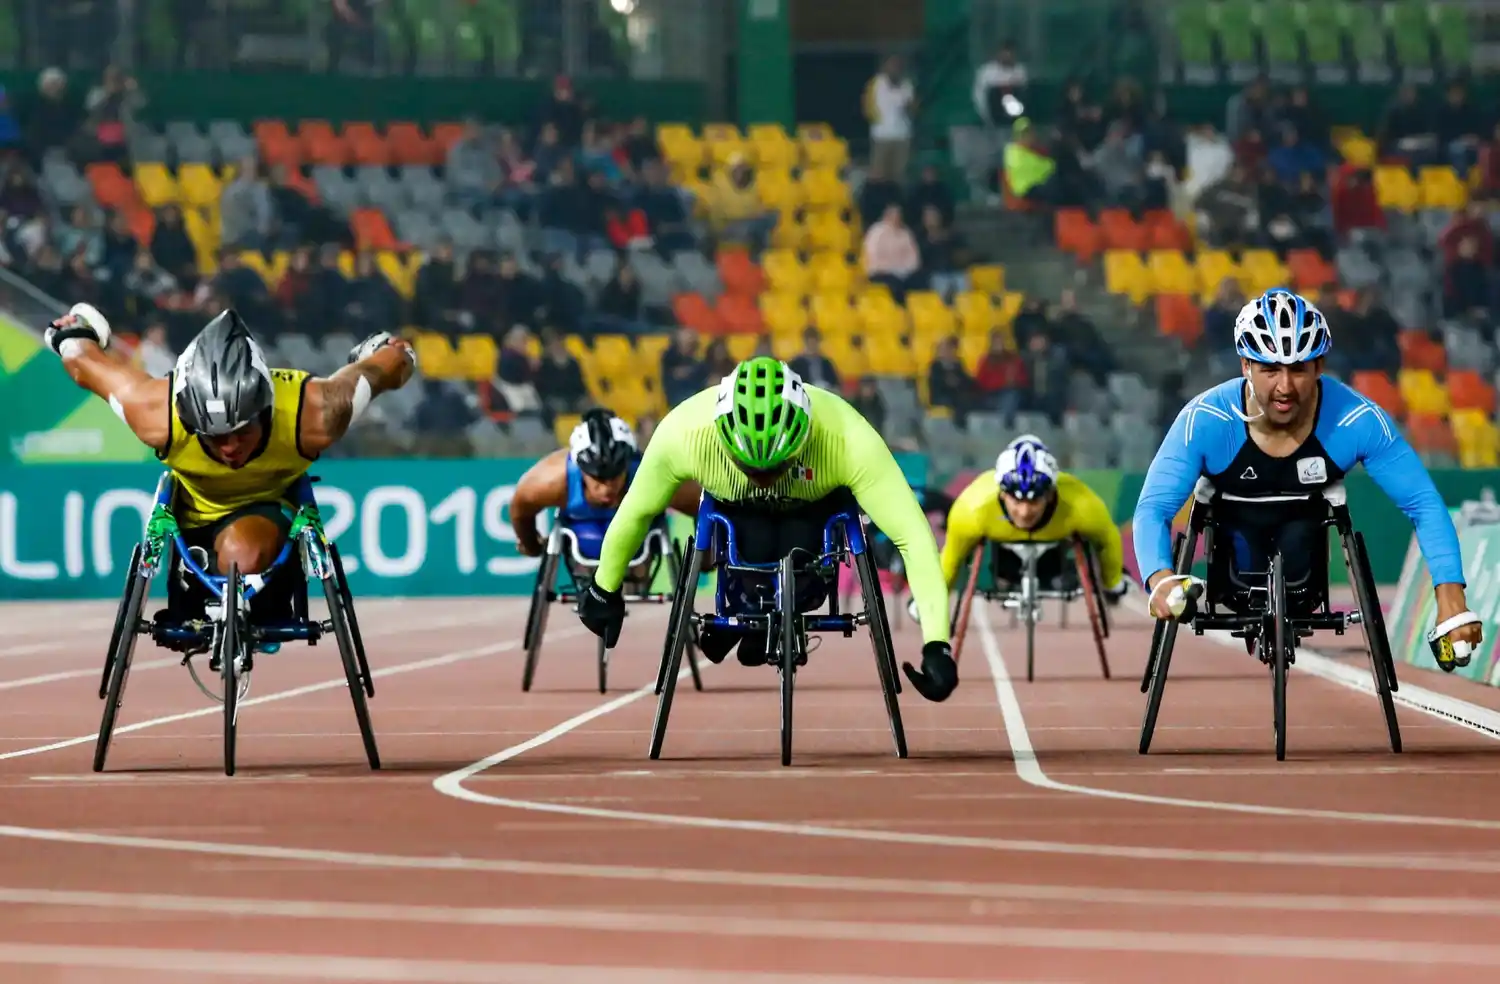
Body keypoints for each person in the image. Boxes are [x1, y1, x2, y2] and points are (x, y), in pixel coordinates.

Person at [1134, 287, 1483, 671]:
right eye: (1270, 369)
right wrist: (1160, 581)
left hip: (1306, 565)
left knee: (1303, 537)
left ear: (1319, 367)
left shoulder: (1357, 420)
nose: (1285, 387)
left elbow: (1423, 504)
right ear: (1245, 366)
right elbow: (1153, 508)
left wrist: (1451, 597)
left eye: (1298, 368)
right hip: (1232, 562)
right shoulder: (1205, 420)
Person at [574, 357, 959, 702]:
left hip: (812, 515)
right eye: (752, 468)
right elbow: (637, 511)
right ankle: (747, 609)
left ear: (805, 435)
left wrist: (937, 643)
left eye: (775, 467)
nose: (764, 480)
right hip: (736, 514)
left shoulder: (848, 437)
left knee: (801, 546)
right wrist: (604, 587)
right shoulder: (684, 432)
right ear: (722, 439)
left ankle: (764, 613)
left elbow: (912, 536)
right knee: (749, 534)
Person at [45, 303, 416, 628]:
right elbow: (83, 363)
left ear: (264, 409)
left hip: (266, 512)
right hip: (189, 516)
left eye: (242, 431)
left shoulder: (313, 413)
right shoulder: (156, 413)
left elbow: (379, 371)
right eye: (215, 437)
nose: (230, 447)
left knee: (242, 550)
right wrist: (74, 331)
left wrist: (390, 352)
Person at [926, 435, 1125, 617]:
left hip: (1055, 554)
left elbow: (1108, 539)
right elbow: (951, 559)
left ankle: (1056, 575)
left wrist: (1112, 582)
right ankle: (1007, 578)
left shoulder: (1081, 504)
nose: (1024, 512)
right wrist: (932, 603)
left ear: (1049, 494)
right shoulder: (973, 507)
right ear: (1003, 493)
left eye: (1034, 501)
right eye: (1017, 501)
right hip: (1003, 557)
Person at [509, 407, 702, 577]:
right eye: (599, 479)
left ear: (628, 463)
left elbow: (701, 505)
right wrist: (531, 545)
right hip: (582, 539)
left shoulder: (655, 476)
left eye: (615, 476)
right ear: (581, 468)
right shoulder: (550, 481)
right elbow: (520, 507)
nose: (607, 487)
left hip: (638, 545)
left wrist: (706, 556)